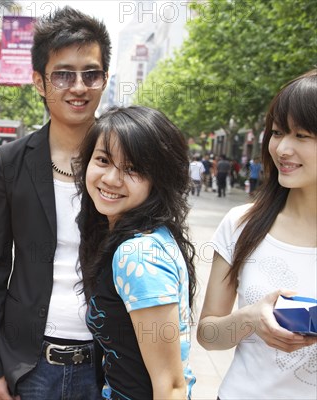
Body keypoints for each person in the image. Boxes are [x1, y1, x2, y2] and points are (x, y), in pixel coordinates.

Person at [0, 6, 111, 399]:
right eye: (63, 74)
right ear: (39, 82)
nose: (78, 87)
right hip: (30, 367)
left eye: (91, 73)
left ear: (105, 79)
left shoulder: (125, 160)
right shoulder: (12, 161)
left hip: (109, 367)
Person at [197, 70, 317, 399]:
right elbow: (208, 334)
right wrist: (251, 318)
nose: (282, 148)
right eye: (278, 133)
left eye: (302, 135)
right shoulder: (242, 224)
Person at [75, 106, 197, 399]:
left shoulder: (138, 254)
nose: (111, 179)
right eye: (103, 160)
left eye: (132, 169)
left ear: (159, 178)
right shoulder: (144, 236)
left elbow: (171, 387)